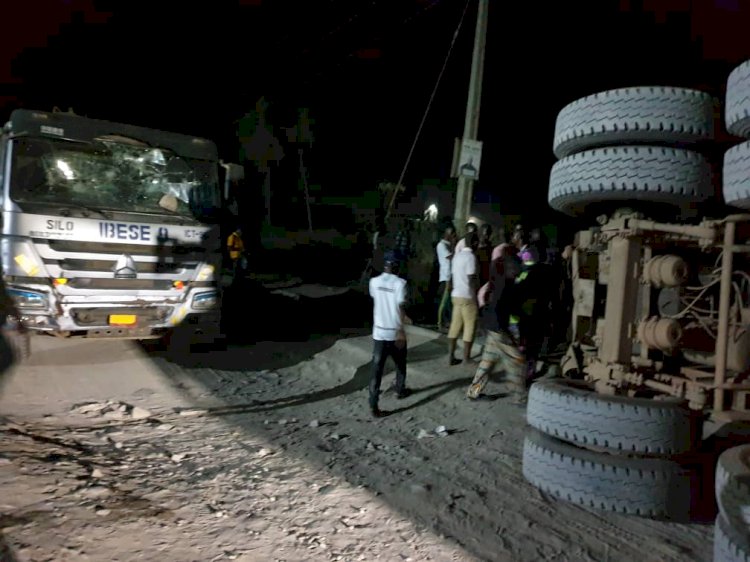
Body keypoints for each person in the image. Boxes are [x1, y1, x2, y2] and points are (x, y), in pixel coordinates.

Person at [466, 244, 526, 403]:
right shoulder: (506, 287)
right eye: (516, 268)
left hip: (491, 327)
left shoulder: (496, 283)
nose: (518, 270)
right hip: (498, 329)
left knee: (486, 364)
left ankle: (474, 392)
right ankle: (519, 397)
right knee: (516, 360)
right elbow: (511, 310)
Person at [368, 251, 412, 418]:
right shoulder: (400, 283)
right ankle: (400, 390)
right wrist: (401, 330)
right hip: (394, 332)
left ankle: (373, 405)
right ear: (396, 266)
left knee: (376, 369)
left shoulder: (373, 282)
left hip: (379, 332)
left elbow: (379, 300)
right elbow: (400, 306)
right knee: (400, 363)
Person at [447, 231, 479, 366]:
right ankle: (466, 358)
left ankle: (451, 356)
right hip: (467, 296)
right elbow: (471, 278)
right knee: (469, 326)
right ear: (475, 243)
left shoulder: (457, 256)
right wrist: (476, 297)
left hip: (456, 295)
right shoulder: (470, 257)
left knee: (455, 326)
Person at [436, 225, 456, 331]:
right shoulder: (441, 245)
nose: (453, 236)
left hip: (451, 276)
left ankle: (447, 322)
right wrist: (453, 245)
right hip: (446, 276)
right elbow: (451, 257)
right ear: (446, 234)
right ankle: (440, 323)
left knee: (449, 302)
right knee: (444, 301)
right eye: (451, 233)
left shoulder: (448, 245)